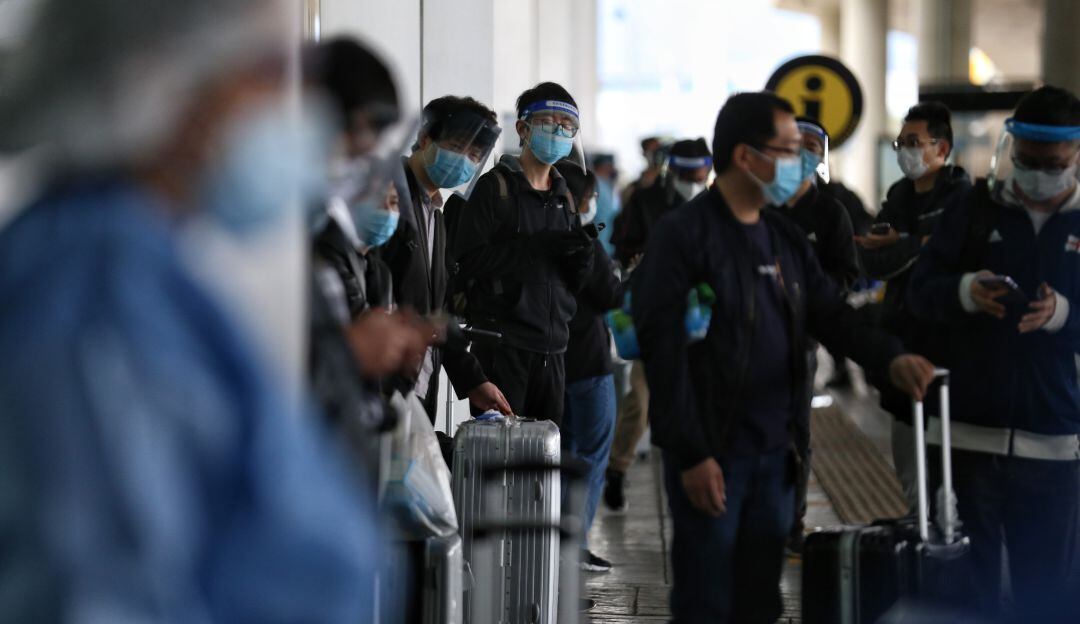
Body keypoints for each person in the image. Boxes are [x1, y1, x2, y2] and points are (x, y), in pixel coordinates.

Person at [0, 1, 397, 621]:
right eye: (267, 73)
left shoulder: (142, 263)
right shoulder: (94, 296)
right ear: (165, 86)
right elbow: (100, 595)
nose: (289, 110)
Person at [632, 91, 936, 623]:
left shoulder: (783, 237)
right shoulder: (683, 238)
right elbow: (665, 353)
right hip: (714, 453)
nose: (802, 159)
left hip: (776, 455)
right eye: (790, 148)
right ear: (747, 157)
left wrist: (889, 358)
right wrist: (691, 453)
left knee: (760, 602)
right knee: (706, 602)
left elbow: (831, 313)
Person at [907, 85, 1080, 622]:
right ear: (1012, 148)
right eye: (1028, 162)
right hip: (963, 438)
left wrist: (1063, 315)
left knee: (1045, 594)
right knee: (961, 596)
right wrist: (963, 291)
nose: (1040, 174)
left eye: (1054, 165)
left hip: (1052, 441)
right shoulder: (974, 207)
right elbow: (918, 291)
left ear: (1075, 157)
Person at [451, 82, 594, 423]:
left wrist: (580, 262)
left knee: (543, 462)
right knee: (500, 460)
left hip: (553, 348)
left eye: (567, 126)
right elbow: (466, 261)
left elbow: (570, 283)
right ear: (523, 128)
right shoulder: (495, 188)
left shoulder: (565, 196)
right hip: (504, 348)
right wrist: (533, 248)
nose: (559, 130)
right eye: (549, 121)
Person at [857, 101, 971, 508]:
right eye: (900, 142)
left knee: (947, 472)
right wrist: (919, 244)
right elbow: (874, 258)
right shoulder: (899, 195)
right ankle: (917, 534)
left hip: (946, 348)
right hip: (902, 341)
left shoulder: (962, 196)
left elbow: (954, 255)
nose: (905, 150)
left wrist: (906, 244)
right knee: (909, 469)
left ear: (942, 148)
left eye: (914, 142)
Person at [381, 95, 512, 422]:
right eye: (457, 146)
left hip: (419, 386)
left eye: (474, 155)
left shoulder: (436, 212)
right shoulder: (388, 200)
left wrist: (472, 379)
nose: (464, 160)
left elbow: (437, 314)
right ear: (425, 139)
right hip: (384, 384)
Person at [603, 138, 712, 513]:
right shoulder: (647, 201)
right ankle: (617, 469)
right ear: (674, 171)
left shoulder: (715, 207)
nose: (696, 180)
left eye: (702, 173)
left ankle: (693, 472)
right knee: (642, 400)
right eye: (689, 174)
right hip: (655, 316)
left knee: (700, 401)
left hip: (702, 319)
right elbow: (621, 242)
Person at [769, 117, 859, 553]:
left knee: (794, 433)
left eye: (811, 146)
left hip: (799, 342)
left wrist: (808, 295)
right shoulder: (760, 205)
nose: (803, 154)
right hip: (747, 340)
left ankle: (791, 521)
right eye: (794, 145)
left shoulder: (829, 212)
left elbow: (846, 275)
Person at [555, 159, 625, 573]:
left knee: (559, 454)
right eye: (593, 197)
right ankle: (574, 544)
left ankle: (552, 541)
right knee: (591, 456)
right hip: (588, 363)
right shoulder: (584, 239)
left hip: (552, 362)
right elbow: (610, 294)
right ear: (582, 199)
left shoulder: (539, 231)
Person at [588, 152, 621, 255]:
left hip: (605, 245)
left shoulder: (607, 186)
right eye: (611, 166)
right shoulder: (596, 184)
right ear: (605, 166)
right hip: (598, 244)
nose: (613, 169)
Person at [620, 136, 665, 207]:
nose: (657, 154)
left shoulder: (669, 179)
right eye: (653, 151)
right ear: (644, 153)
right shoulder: (633, 188)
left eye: (659, 150)